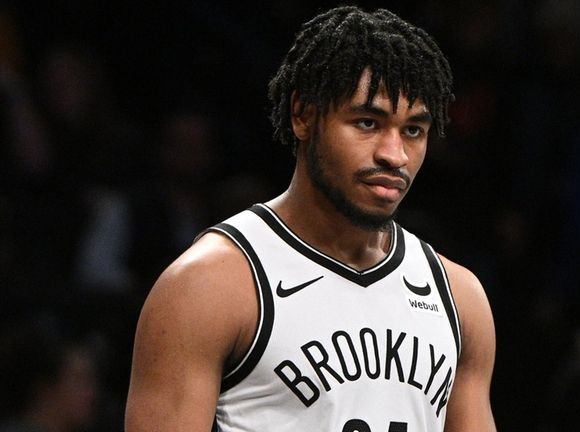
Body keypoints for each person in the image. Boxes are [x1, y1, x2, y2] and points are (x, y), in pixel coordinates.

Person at [125, 6, 496, 432]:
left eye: (413, 130)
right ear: (303, 115)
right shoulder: (209, 285)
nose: (394, 155)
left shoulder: (459, 298)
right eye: (367, 122)